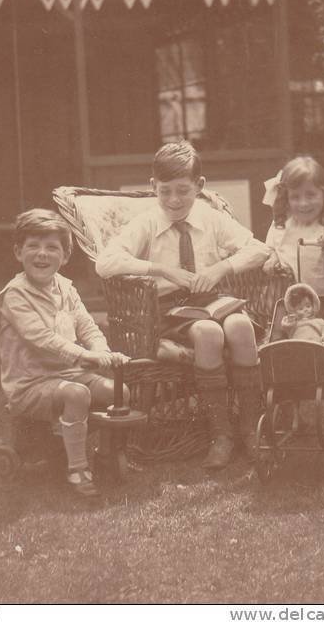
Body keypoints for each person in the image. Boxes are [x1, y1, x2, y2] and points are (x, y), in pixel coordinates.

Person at [96, 141, 273, 469]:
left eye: (183, 190)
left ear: (200, 186)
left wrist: (222, 267)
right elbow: (105, 262)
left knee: (240, 325)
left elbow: (259, 250)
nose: (174, 200)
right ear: (153, 187)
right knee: (208, 333)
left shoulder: (211, 218)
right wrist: (160, 269)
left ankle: (249, 428)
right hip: (167, 310)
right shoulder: (147, 223)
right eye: (165, 191)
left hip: (212, 300)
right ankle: (221, 434)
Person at [0, 209, 130, 498]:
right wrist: (86, 357)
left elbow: (88, 326)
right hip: (30, 383)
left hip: (68, 374)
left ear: (65, 256)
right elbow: (42, 338)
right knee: (77, 394)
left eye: (52, 247)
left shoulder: (66, 288)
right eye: (33, 246)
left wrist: (103, 351)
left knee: (120, 392)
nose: (42, 254)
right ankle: (77, 468)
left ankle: (104, 453)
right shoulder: (15, 294)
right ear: (18, 252)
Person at [262, 156, 324, 295]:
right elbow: (270, 250)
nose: (304, 203)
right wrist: (273, 258)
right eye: (295, 197)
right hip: (288, 300)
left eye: (311, 195)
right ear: (286, 198)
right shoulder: (280, 224)